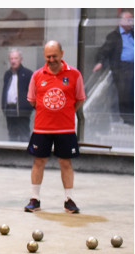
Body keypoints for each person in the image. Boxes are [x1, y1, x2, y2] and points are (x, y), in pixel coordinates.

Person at [24, 40, 86, 214]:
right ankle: (34, 199)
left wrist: (65, 113)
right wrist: (47, 112)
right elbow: (32, 100)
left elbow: (80, 98)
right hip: (41, 129)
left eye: (54, 56)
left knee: (65, 163)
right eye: (48, 56)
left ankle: (69, 200)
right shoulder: (37, 75)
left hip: (65, 129)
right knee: (39, 162)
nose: (51, 59)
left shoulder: (74, 74)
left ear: (62, 54)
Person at [93, 9, 134, 125]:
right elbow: (104, 51)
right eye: (129, 19)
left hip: (133, 66)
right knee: (126, 90)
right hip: (122, 68)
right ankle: (128, 116)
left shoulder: (133, 33)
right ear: (121, 21)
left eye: (132, 19)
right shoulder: (114, 36)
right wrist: (100, 62)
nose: (131, 22)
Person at [1, 49, 33, 141]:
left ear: (21, 59)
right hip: (10, 110)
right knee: (12, 135)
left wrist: (28, 107)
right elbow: (5, 91)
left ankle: (25, 155)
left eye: (15, 58)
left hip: (23, 111)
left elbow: (32, 93)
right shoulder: (7, 74)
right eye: (11, 59)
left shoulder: (28, 74)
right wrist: (3, 107)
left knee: (24, 135)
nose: (13, 61)